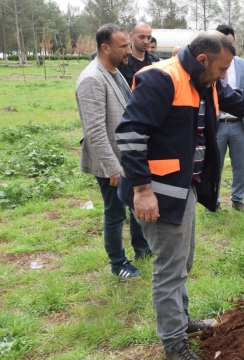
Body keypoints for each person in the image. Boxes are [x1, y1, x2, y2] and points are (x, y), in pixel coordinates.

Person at [115, 31, 244, 360]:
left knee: (182, 263)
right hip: (158, 193)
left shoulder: (206, 82)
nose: (226, 75)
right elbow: (129, 134)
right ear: (202, 61)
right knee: (170, 269)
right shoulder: (160, 79)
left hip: (184, 190)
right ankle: (174, 345)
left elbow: (243, 102)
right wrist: (142, 190)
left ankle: (180, 322)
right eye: (222, 69)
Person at [76, 23, 152, 279]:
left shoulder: (115, 72)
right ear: (105, 48)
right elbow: (95, 131)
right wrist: (113, 168)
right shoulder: (91, 79)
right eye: (123, 46)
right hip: (111, 163)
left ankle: (143, 249)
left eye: (128, 45)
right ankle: (118, 264)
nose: (129, 50)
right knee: (115, 213)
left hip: (126, 159)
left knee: (133, 206)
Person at [214, 25, 244, 211]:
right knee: (214, 165)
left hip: (239, 124)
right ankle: (212, 200)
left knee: (239, 165)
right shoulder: (209, 65)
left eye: (230, 43)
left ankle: (237, 199)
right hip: (216, 125)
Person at [117, 22, 160, 87]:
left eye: (149, 38)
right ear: (131, 36)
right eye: (141, 37)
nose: (146, 41)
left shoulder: (156, 61)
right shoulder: (121, 61)